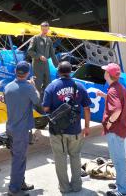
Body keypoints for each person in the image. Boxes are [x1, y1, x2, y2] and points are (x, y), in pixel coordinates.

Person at [42, 61, 92, 194]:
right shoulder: (79, 86)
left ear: (58, 71)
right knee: (75, 157)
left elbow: (45, 108)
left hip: (57, 130)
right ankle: (76, 186)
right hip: (75, 130)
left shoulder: (51, 87)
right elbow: (87, 108)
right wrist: (86, 127)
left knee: (60, 159)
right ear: (71, 71)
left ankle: (64, 188)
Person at [4, 61, 40, 196]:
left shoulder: (8, 87)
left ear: (15, 72)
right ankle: (14, 189)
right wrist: (34, 86)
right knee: (19, 159)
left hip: (11, 128)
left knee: (17, 158)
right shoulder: (29, 87)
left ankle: (20, 183)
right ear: (28, 73)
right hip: (22, 129)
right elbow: (37, 101)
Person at [97, 63, 126, 196]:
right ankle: (121, 183)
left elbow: (117, 109)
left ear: (108, 75)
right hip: (121, 129)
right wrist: (105, 96)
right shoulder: (118, 87)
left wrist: (109, 123)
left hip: (115, 130)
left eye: (105, 71)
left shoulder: (113, 90)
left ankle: (122, 190)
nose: (103, 72)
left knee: (118, 160)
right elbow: (118, 101)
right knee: (118, 159)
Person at [27, 21, 58, 96]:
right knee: (37, 83)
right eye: (43, 29)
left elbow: (52, 54)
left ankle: (44, 99)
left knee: (48, 82)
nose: (45, 31)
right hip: (37, 65)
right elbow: (30, 51)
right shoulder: (35, 38)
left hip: (46, 65)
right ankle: (36, 101)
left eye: (46, 29)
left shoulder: (49, 40)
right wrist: (39, 56)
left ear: (48, 29)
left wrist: (57, 65)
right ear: (41, 29)